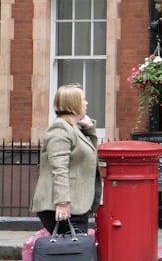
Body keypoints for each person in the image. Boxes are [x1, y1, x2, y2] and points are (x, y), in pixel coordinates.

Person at [31, 84, 102, 235]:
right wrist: (62, 202)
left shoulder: (73, 128)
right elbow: (59, 167)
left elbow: (90, 155)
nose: (86, 102)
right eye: (83, 99)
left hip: (75, 205)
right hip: (63, 207)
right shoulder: (60, 129)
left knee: (73, 252)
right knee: (72, 252)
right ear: (73, 103)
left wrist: (89, 128)